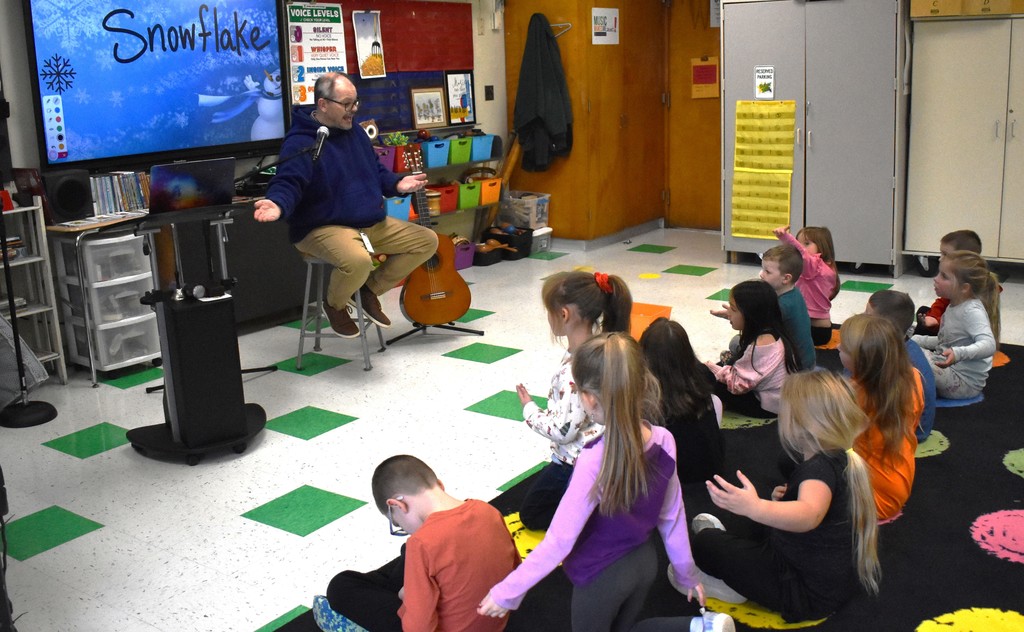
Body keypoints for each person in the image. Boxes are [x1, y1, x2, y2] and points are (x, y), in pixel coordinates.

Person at [478, 333, 706, 631]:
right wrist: (686, 572)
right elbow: (672, 515)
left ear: (588, 398)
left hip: (602, 575)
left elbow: (559, 540)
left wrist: (507, 592)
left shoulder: (594, 459)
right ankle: (697, 627)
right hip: (645, 563)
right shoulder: (664, 440)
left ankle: (691, 627)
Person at [254, 72, 438, 337]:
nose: (353, 110)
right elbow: (289, 181)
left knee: (427, 241)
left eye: (356, 103)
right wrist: (278, 204)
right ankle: (335, 304)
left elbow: (376, 171)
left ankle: (367, 291)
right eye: (347, 104)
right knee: (359, 260)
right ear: (323, 104)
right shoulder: (303, 141)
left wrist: (397, 184)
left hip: (368, 222)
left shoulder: (356, 134)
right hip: (322, 226)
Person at [688, 371, 880, 623]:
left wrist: (755, 507)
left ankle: (726, 579)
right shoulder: (838, 457)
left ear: (803, 425)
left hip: (802, 590)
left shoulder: (819, 469)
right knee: (752, 524)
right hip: (822, 576)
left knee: (705, 543)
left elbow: (810, 515)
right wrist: (780, 503)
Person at [318, 455, 520, 632]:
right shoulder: (488, 511)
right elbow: (517, 570)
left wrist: (407, 599)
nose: (405, 530)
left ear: (397, 505)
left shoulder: (423, 543)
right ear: (439, 485)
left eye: (398, 523)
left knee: (341, 585)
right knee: (409, 551)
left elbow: (419, 628)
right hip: (495, 621)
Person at [516, 271, 632, 531]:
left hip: (574, 464)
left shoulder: (576, 367)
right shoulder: (605, 347)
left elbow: (563, 431)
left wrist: (529, 409)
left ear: (564, 314)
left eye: (549, 311)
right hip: (607, 453)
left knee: (531, 514)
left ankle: (589, 517)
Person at [839, 314, 924, 521]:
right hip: (899, 481)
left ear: (863, 361)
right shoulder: (912, 376)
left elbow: (831, 443)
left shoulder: (854, 395)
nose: (837, 348)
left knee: (795, 460)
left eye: (844, 348)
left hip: (869, 500)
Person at [639, 317, 725, 484]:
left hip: (672, 475)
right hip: (711, 464)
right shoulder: (700, 371)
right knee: (714, 401)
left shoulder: (647, 389)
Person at [911, 251, 1000, 400]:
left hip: (962, 383)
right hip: (948, 370)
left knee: (909, 355)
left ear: (965, 288)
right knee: (911, 348)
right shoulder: (954, 305)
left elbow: (989, 344)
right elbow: (946, 340)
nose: (935, 279)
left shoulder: (971, 311)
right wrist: (917, 339)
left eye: (944, 276)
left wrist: (958, 353)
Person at [709, 245, 813, 371]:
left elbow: (755, 328)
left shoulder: (781, 306)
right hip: (807, 360)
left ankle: (733, 361)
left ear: (786, 278)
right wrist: (734, 313)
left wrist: (734, 315)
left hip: (794, 367)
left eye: (767, 271)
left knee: (736, 342)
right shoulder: (794, 292)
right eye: (762, 269)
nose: (761, 274)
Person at [706, 280, 800, 418]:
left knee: (709, 378)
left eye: (733, 309)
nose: (729, 313)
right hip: (777, 398)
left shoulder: (760, 345)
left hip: (766, 406)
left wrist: (711, 368)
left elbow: (738, 386)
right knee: (725, 365)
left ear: (750, 315)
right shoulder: (771, 331)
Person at [866, 290, 936, 441]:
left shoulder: (890, 357)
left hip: (907, 432)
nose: (862, 319)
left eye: (867, 316)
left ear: (886, 327)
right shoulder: (906, 346)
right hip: (915, 426)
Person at [773, 225, 839, 346]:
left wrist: (785, 237)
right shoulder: (825, 267)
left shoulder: (816, 266)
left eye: (807, 243)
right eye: (799, 243)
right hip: (820, 331)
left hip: (812, 331)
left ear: (822, 247)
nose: (801, 247)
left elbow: (802, 254)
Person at [915, 229, 983, 335]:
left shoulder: (975, 288)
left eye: (945, 254)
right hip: (947, 321)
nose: (940, 258)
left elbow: (960, 323)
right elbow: (943, 302)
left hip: (959, 337)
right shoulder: (959, 277)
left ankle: (914, 346)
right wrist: (933, 316)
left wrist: (937, 321)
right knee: (923, 311)